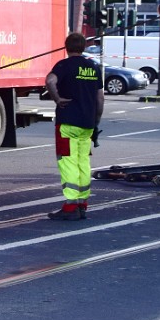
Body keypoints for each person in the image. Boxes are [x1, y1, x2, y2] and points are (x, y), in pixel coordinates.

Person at [45, 32, 104, 221]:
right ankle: (82, 204)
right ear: (84, 47)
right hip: (87, 124)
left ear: (66, 47)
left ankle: (70, 207)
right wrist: (96, 121)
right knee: (83, 163)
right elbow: (100, 98)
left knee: (68, 162)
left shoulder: (64, 65)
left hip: (68, 123)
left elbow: (49, 80)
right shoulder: (93, 67)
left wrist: (57, 98)